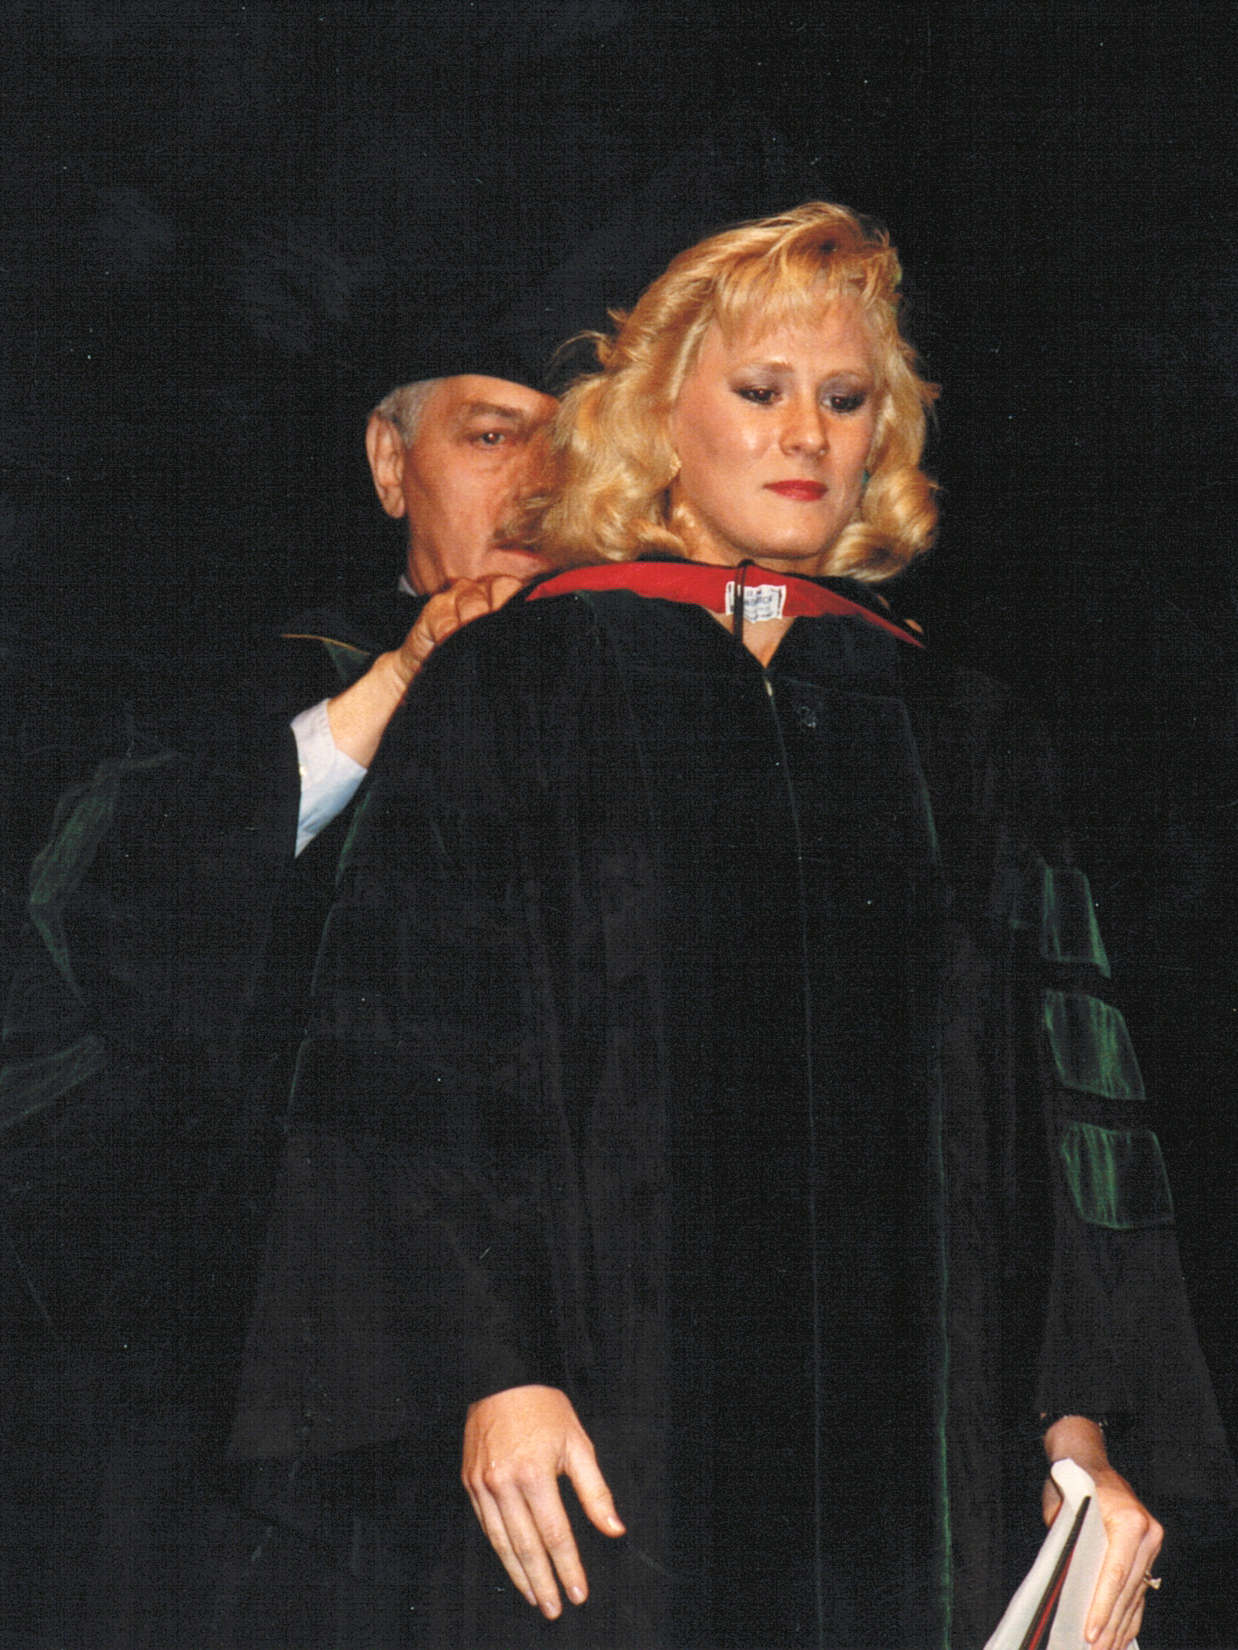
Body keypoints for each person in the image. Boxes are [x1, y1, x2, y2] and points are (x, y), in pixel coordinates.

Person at [233, 206, 1235, 1649]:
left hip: (925, 1466)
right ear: (660, 418)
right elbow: (406, 1052)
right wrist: (487, 1369)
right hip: (600, 1441)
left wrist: (1073, 1429)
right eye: (758, 391)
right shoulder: (517, 688)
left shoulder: (962, 736)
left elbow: (1063, 1127)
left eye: (844, 399)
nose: (807, 435)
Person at [0, 369, 556, 1650]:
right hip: (238, 1370)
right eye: (488, 435)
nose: (540, 479)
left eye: (579, 440)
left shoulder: (658, 713)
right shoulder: (236, 683)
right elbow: (112, 927)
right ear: (386, 461)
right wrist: (402, 681)